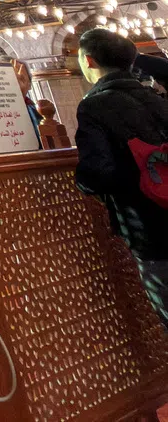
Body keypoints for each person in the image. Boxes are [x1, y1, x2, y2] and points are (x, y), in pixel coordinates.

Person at [75, 27, 168, 329]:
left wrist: (83, 182)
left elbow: (98, 173)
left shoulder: (94, 105)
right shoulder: (157, 98)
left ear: (89, 60)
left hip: (150, 227)